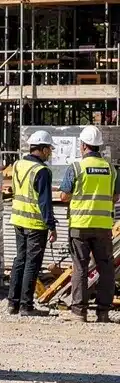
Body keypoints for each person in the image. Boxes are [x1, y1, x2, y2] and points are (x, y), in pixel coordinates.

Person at [62, 124, 115, 322]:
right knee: (105, 267)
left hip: (80, 225)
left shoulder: (76, 167)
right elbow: (115, 196)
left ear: (83, 145)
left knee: (80, 268)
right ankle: (103, 312)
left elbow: (65, 195)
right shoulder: (110, 169)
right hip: (102, 226)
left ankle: (79, 311)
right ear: (99, 146)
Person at [7, 131, 57, 316]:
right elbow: (45, 202)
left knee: (19, 260)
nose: (50, 153)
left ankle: (13, 303)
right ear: (42, 149)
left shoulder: (18, 164)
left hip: (18, 219)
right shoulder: (42, 171)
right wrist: (51, 225)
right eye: (49, 149)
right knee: (31, 263)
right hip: (35, 223)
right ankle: (26, 305)